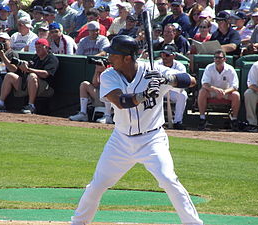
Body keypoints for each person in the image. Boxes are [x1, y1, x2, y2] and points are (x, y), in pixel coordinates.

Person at [70, 34, 203, 225]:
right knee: (97, 184)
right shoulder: (109, 75)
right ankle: (78, 222)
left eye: (113, 54)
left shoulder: (154, 70)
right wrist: (144, 94)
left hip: (152, 140)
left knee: (168, 179)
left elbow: (191, 81)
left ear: (127, 58)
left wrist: (168, 78)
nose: (108, 58)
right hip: (120, 141)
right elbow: (121, 102)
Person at [0, 38, 59, 114]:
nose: (37, 50)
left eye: (40, 47)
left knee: (32, 76)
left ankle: (31, 106)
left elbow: (46, 74)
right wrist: (22, 64)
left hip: (45, 88)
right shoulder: (36, 57)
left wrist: (29, 70)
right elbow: (28, 65)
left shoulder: (52, 58)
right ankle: (0, 103)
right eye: (36, 48)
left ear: (47, 48)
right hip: (29, 84)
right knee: (9, 76)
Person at [197, 49, 240, 131]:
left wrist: (224, 92)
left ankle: (234, 120)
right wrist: (215, 90)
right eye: (216, 58)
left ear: (224, 59)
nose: (217, 60)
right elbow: (205, 84)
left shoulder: (230, 69)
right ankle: (202, 118)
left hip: (226, 92)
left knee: (236, 95)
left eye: (220, 58)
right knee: (202, 92)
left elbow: (235, 86)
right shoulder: (209, 67)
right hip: (212, 92)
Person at [155, 45, 188, 129]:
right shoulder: (156, 64)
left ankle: (177, 121)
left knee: (183, 95)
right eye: (162, 54)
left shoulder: (180, 66)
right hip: (160, 89)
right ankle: (155, 122)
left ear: (173, 56)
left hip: (173, 89)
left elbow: (182, 82)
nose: (164, 57)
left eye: (167, 55)